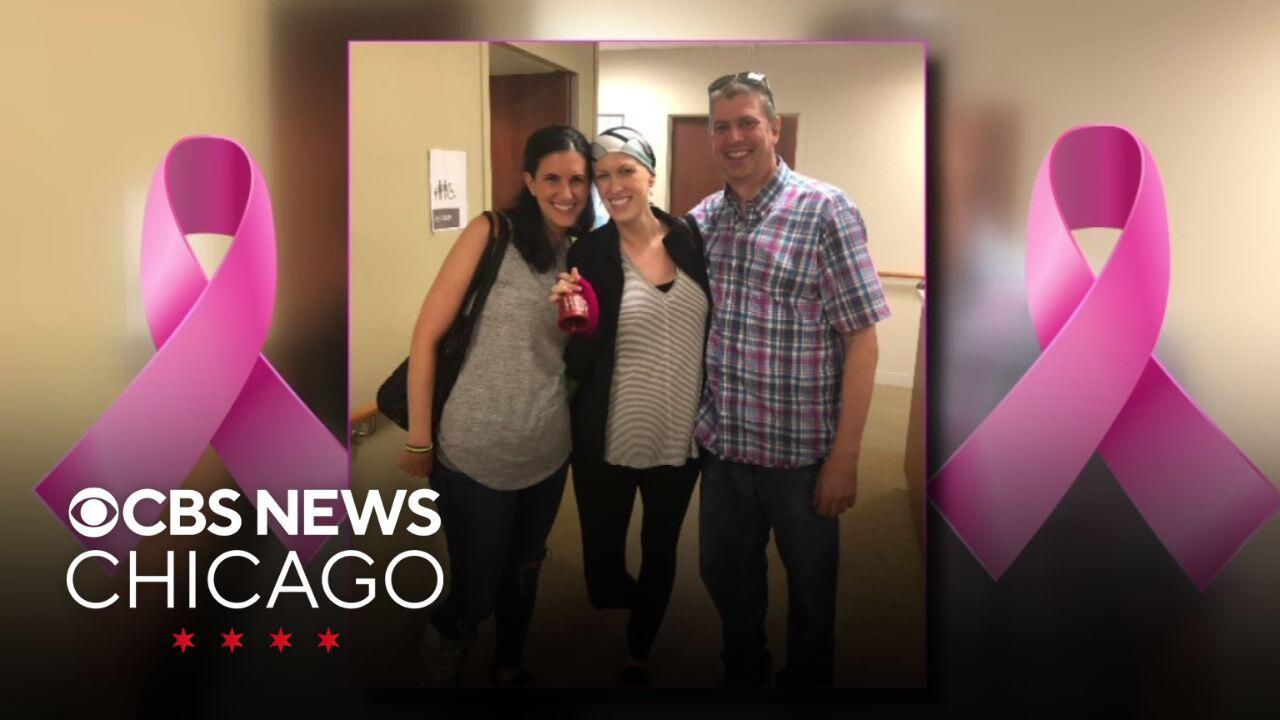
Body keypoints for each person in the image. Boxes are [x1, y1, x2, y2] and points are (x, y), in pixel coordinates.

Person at [690, 72, 890, 686]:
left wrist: (845, 460)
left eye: (747, 123)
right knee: (726, 578)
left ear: (774, 128)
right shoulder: (703, 221)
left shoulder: (825, 210)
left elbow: (862, 341)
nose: (734, 137)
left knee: (811, 594)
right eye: (722, 127)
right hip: (725, 450)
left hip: (801, 458)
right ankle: (744, 671)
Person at [398, 125, 594, 687]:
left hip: (547, 450)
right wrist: (419, 439)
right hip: (474, 452)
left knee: (525, 571)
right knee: (476, 587)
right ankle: (444, 654)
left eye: (578, 180)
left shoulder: (584, 251)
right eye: (552, 178)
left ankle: (509, 664)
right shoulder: (491, 232)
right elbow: (426, 337)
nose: (566, 193)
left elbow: (579, 351)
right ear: (529, 181)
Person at [548, 127, 710, 686]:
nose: (613, 186)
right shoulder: (589, 252)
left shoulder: (691, 239)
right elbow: (581, 354)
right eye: (602, 176)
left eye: (625, 171)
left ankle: (640, 645)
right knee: (602, 558)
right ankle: (618, 594)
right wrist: (574, 321)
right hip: (607, 436)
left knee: (661, 547)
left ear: (650, 176)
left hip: (679, 435)